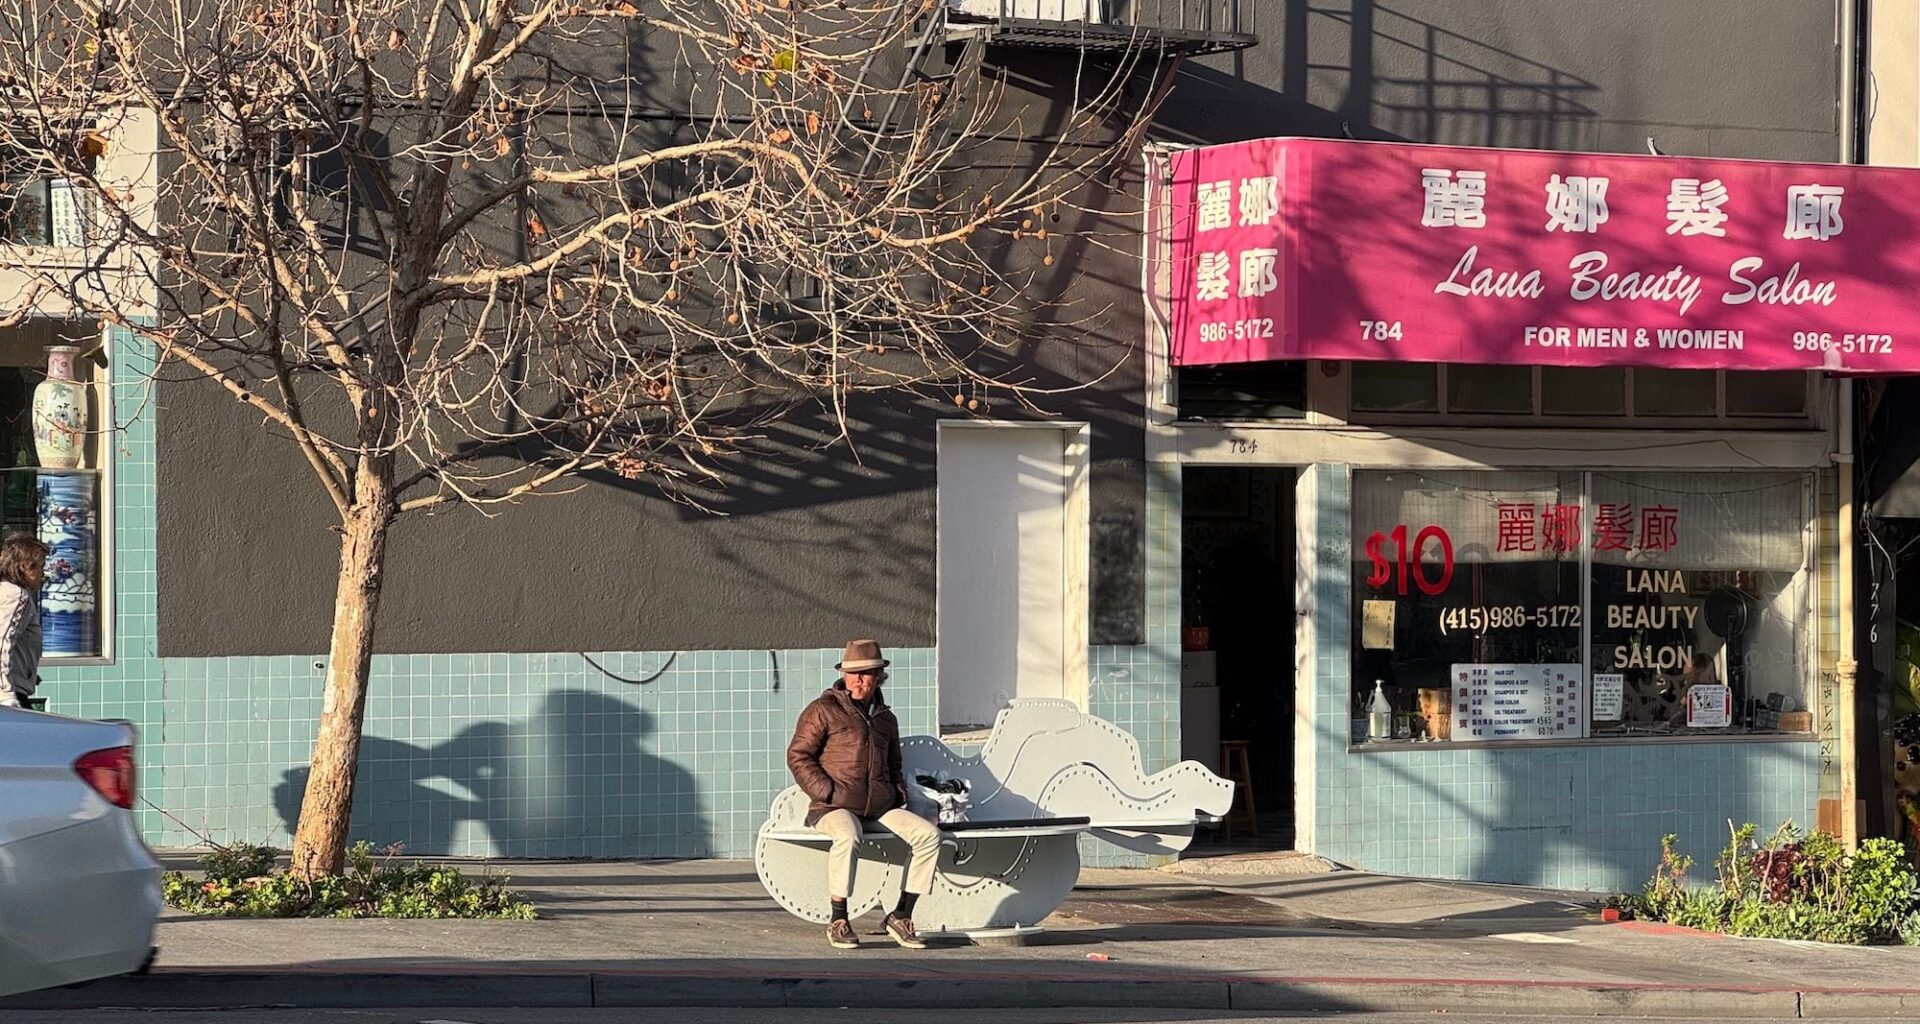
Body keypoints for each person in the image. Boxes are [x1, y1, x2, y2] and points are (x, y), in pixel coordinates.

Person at [786, 639, 941, 950]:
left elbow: (895, 763)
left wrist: (895, 793)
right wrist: (828, 792)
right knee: (847, 834)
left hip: (880, 806)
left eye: (866, 674)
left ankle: (901, 915)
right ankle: (839, 919)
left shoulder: (886, 719)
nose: (858, 680)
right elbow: (798, 756)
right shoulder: (823, 710)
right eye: (852, 673)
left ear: (878, 677)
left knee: (929, 836)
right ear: (843, 675)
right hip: (833, 807)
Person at [0, 534, 47, 710]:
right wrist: (5, 694)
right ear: (25, 566)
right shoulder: (16, 596)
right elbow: (3, 639)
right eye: (40, 567)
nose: (43, 574)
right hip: (9, 696)